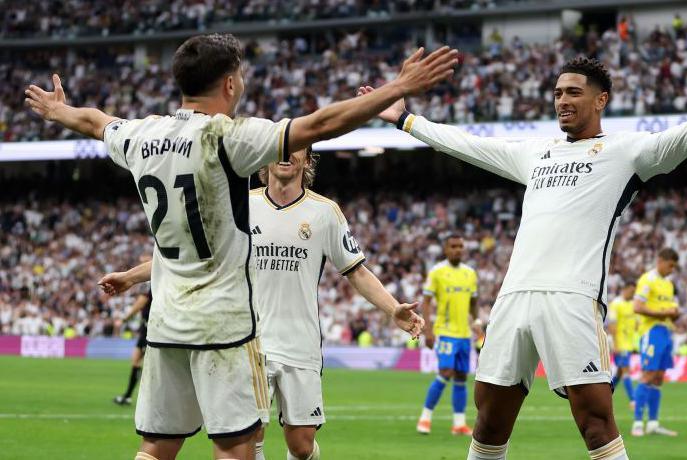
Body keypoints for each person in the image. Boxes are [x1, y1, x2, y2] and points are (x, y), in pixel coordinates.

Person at [28, 33, 457, 460]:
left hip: (165, 322)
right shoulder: (229, 137)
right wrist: (397, 88)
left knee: (156, 447)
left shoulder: (142, 134)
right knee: (236, 449)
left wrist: (56, 109)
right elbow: (321, 124)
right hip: (223, 323)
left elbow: (94, 121)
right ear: (230, 84)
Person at [358, 45, 687, 459]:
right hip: (514, 297)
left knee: (595, 423)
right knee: (489, 423)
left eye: (573, 92)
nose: (562, 101)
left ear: (600, 99)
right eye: (557, 93)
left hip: (572, 298)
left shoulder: (626, 152)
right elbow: (467, 144)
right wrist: (406, 121)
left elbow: (685, 136)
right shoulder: (536, 153)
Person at [106, 146, 425, 460]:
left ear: (307, 159)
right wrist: (132, 277)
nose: (286, 155)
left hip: (301, 343)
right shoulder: (240, 205)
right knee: (250, 436)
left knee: (301, 445)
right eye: (279, 149)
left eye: (296, 149)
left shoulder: (325, 212)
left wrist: (392, 308)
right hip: (250, 342)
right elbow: (192, 252)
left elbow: (356, 271)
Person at [416, 234, 479, 436]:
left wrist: (476, 322)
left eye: (460, 246)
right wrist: (428, 330)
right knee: (445, 372)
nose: (458, 249)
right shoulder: (437, 272)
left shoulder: (470, 273)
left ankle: (459, 424)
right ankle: (425, 418)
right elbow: (426, 301)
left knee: (461, 377)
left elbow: (474, 302)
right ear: (446, 249)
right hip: (445, 332)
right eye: (453, 246)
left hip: (464, 334)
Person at [631, 248, 680, 437]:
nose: (672, 270)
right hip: (651, 332)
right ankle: (637, 423)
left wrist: (674, 314)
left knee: (659, 377)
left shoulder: (668, 284)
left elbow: (670, 309)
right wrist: (664, 313)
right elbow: (637, 306)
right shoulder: (647, 279)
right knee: (648, 375)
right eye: (670, 265)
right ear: (660, 261)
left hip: (666, 331)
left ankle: (652, 423)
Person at [113, 255, 153, 406]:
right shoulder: (149, 282)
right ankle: (129, 396)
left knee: (142, 361)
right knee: (136, 360)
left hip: (151, 326)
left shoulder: (152, 281)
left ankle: (134, 396)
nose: (141, 264)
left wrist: (124, 319)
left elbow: (140, 303)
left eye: (144, 262)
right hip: (146, 326)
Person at [607, 280, 638, 409]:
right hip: (620, 343)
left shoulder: (632, 303)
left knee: (619, 373)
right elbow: (612, 325)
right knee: (626, 371)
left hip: (629, 343)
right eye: (631, 291)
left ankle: (606, 394)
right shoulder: (616, 304)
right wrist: (616, 344)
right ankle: (633, 400)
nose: (633, 294)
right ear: (625, 289)